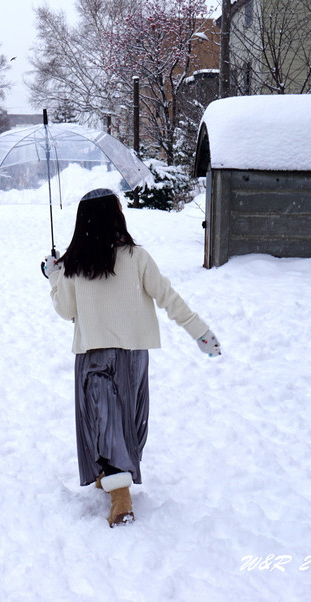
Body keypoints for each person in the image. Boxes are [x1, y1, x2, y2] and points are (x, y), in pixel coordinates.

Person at [42, 188, 221, 527]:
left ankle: (118, 491)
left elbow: (65, 311)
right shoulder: (136, 257)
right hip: (133, 355)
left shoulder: (73, 263)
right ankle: (113, 478)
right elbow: (168, 297)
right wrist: (199, 331)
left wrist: (54, 275)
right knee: (126, 421)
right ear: (116, 217)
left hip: (94, 355)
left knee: (102, 421)